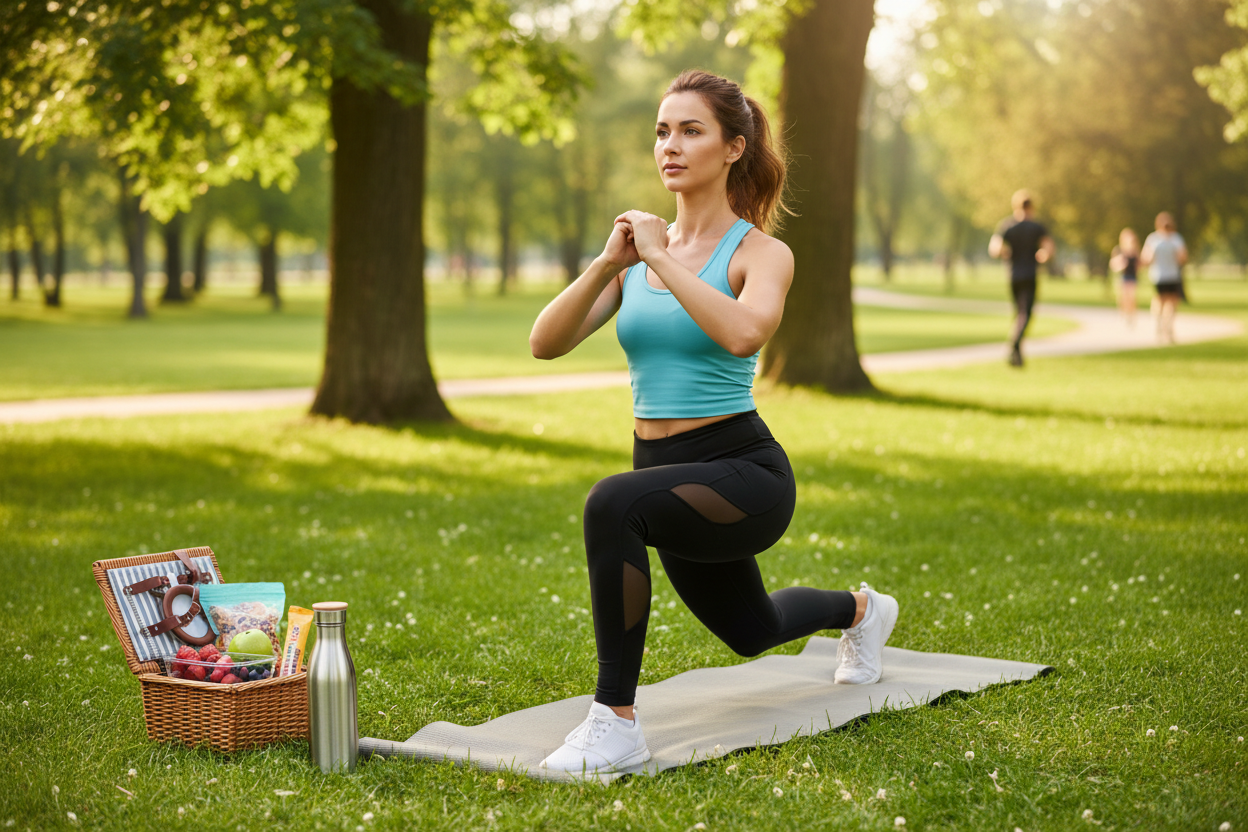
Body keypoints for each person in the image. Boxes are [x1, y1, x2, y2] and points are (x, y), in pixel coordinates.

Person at [528, 70, 900, 777]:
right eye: (662, 131)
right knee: (749, 630)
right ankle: (861, 611)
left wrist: (662, 255)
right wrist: (611, 261)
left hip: (744, 474)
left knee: (611, 503)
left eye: (690, 130)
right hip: (661, 477)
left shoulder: (761, 253)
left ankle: (616, 723)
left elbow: (742, 336)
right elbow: (545, 342)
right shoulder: (633, 259)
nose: (670, 145)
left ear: (734, 148)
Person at [988, 190, 1055, 367]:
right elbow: (1048, 249)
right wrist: (1043, 255)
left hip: (1013, 276)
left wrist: (1005, 252)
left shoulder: (1007, 226)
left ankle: (1017, 353)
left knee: (1019, 313)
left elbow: (994, 248)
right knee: (1026, 314)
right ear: (1031, 207)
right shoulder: (1037, 227)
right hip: (1029, 275)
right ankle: (1015, 344)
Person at [1139, 211, 1187, 344]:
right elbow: (1146, 258)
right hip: (1160, 275)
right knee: (1163, 302)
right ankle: (1161, 327)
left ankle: (1167, 328)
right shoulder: (1155, 239)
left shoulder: (1174, 238)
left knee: (1170, 303)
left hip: (1170, 275)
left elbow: (1182, 257)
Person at [1109, 228, 1141, 328]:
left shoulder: (1135, 251)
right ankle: (1123, 314)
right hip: (1122, 277)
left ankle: (1131, 316)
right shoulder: (1119, 250)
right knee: (1122, 298)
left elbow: (1139, 264)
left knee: (1131, 298)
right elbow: (1113, 264)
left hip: (1132, 277)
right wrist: (1121, 264)